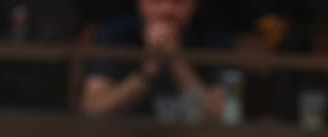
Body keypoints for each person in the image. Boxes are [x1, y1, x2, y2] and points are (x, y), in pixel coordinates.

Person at [81, 0, 223, 121]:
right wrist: (149, 69)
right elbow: (94, 110)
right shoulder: (115, 35)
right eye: (156, 0)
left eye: (179, 1)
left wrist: (176, 61)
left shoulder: (209, 40)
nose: (167, 9)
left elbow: (218, 116)